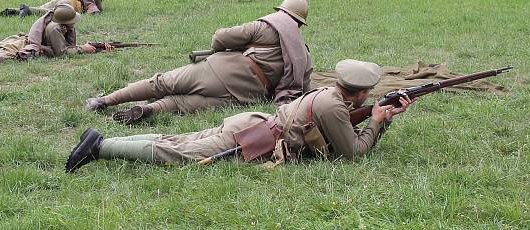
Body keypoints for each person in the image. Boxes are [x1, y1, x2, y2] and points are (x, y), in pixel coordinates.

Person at [65, 59, 416, 172]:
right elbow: (352, 153)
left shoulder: (329, 95)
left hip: (251, 125)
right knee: (179, 153)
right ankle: (100, 148)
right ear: (360, 91)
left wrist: (380, 116)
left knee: (178, 141)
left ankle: (102, 141)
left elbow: (338, 125)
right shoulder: (333, 105)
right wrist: (377, 122)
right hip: (252, 140)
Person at [86, 0, 313, 125]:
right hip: (243, 96)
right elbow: (301, 91)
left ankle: (104, 101)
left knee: (162, 83)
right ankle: (149, 110)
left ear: (280, 12)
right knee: (180, 104)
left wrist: (228, 48)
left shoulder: (262, 27)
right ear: (300, 23)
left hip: (217, 70)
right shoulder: (303, 55)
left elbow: (219, 38)